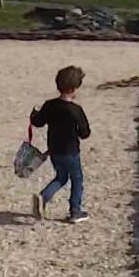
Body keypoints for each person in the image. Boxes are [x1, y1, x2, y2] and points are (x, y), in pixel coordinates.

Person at [29, 65, 92, 223]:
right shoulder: (76, 110)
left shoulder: (50, 105)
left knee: (61, 177)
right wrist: (77, 132)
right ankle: (75, 211)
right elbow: (85, 133)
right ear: (75, 88)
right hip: (70, 151)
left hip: (54, 150)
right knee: (77, 179)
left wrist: (34, 114)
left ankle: (43, 197)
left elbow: (38, 122)